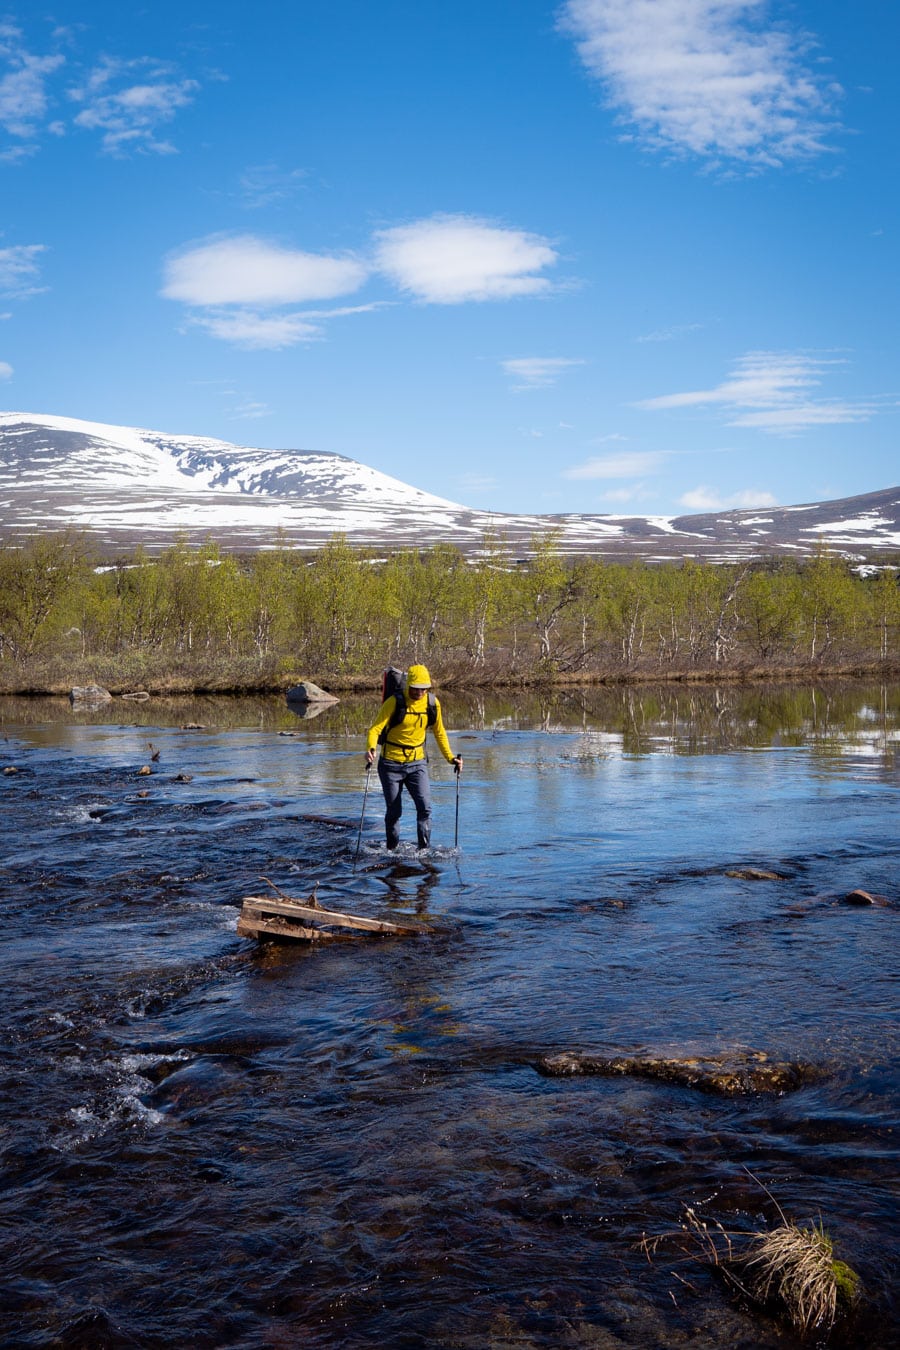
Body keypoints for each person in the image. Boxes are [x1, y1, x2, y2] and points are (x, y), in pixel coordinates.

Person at [365, 663, 462, 850]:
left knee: (425, 808)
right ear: (409, 685)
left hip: (417, 763)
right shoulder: (394, 702)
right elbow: (375, 729)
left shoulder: (432, 704)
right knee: (394, 811)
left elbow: (439, 732)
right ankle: (391, 850)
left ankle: (423, 851)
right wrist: (371, 748)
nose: (420, 693)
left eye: (424, 689)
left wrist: (451, 758)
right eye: (416, 689)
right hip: (390, 765)